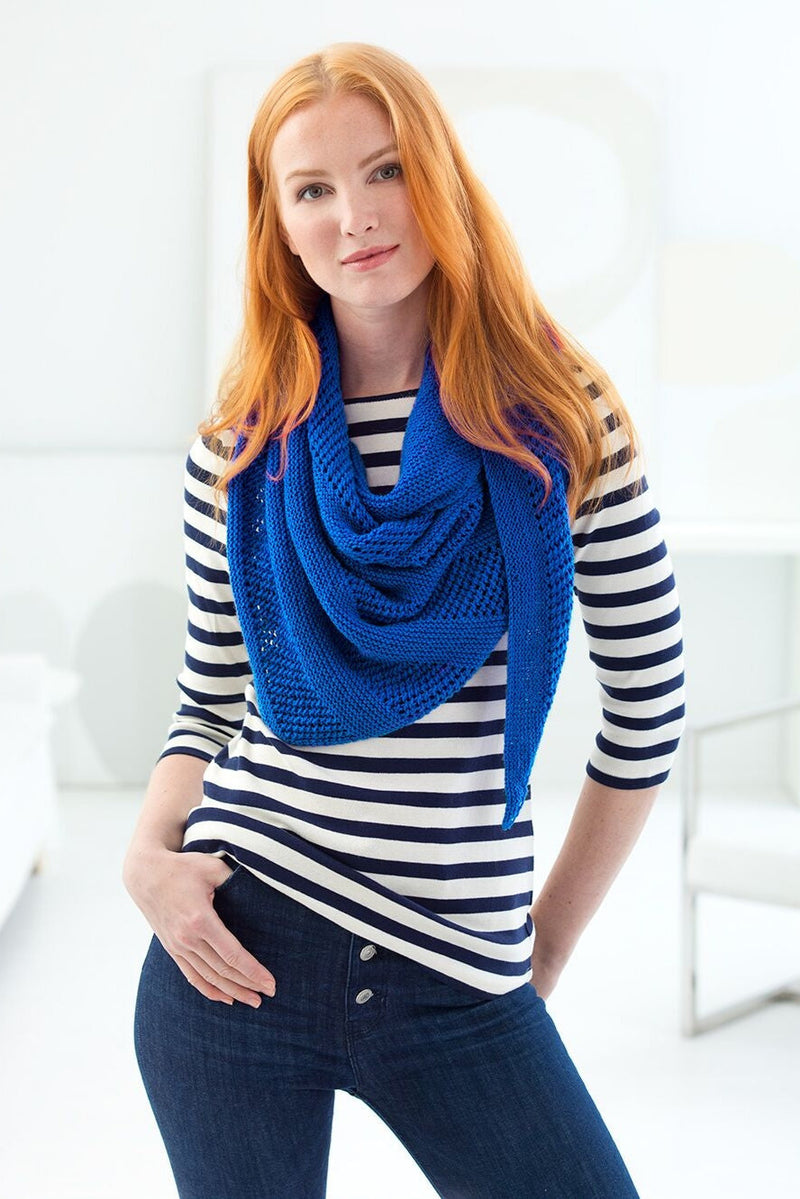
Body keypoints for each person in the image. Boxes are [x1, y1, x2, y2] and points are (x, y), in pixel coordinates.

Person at [123, 41, 685, 1199]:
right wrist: (146, 857)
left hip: (456, 969)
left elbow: (647, 709)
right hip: (237, 943)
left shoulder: (559, 420)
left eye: (383, 170)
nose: (356, 216)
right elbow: (207, 699)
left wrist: (543, 941)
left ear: (437, 177)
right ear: (277, 224)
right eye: (312, 189)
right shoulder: (236, 451)